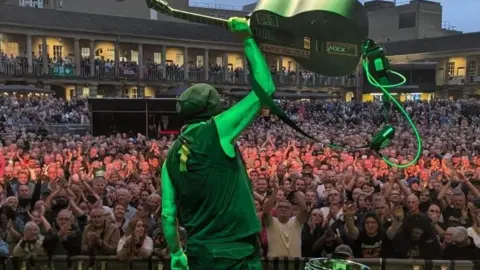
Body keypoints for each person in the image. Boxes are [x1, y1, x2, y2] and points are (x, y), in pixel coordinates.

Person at [160, 17, 276, 270]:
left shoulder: (170, 155)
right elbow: (265, 88)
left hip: (198, 252)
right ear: (214, 110)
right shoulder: (215, 131)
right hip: (235, 253)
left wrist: (176, 252)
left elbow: (168, 215)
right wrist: (247, 40)